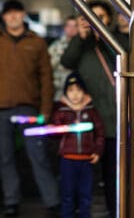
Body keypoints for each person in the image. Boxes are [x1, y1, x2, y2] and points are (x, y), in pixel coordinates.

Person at [0, 0, 58, 217]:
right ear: (4, 17)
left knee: (38, 155)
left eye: (17, 13)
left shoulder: (36, 42)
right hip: (1, 108)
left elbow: (46, 77)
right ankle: (11, 201)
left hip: (28, 108)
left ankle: (52, 202)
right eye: (8, 14)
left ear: (23, 14)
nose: (13, 17)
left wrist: (45, 109)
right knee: (5, 157)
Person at [61, 0, 121, 218]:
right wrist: (81, 36)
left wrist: (102, 38)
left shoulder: (116, 41)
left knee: (114, 173)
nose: (95, 22)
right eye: (91, 18)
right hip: (93, 121)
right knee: (88, 175)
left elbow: (120, 59)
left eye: (100, 18)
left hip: (116, 120)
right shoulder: (82, 45)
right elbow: (67, 61)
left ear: (109, 20)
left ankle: (116, 210)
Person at [52, 72, 105, 218]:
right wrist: (62, 127)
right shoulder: (61, 111)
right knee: (67, 194)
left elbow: (99, 133)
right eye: (71, 90)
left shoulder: (91, 111)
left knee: (85, 195)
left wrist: (98, 151)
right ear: (65, 93)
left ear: (84, 92)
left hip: (86, 160)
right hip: (67, 159)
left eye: (78, 90)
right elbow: (53, 133)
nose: (75, 94)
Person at [48, 16, 78, 101]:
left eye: (75, 26)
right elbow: (47, 66)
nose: (71, 29)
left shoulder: (83, 47)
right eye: (69, 26)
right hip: (59, 90)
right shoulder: (55, 46)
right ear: (65, 28)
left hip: (78, 91)